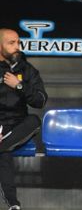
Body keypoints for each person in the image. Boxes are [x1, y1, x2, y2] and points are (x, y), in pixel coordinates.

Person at [0, 28, 47, 210]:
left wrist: (19, 86)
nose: (17, 46)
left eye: (18, 42)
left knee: (35, 120)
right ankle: (13, 204)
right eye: (11, 43)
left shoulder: (27, 70)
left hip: (19, 125)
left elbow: (40, 101)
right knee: (3, 153)